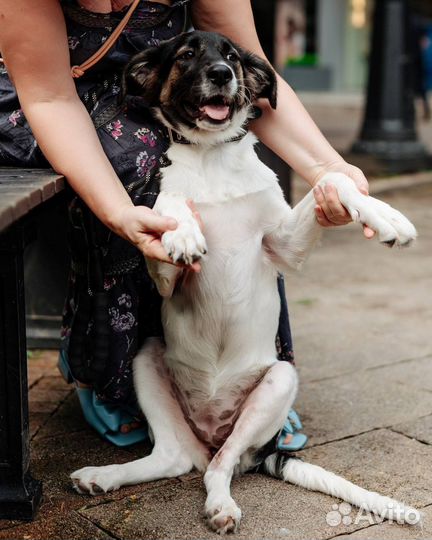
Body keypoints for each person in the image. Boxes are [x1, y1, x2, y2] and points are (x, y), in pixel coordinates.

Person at [0, 0, 374, 447]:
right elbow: (49, 97)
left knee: (230, 158)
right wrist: (121, 214)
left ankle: (249, 376)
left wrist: (328, 170)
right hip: (47, 96)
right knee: (143, 160)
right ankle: (106, 366)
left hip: (170, 85)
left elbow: (253, 75)